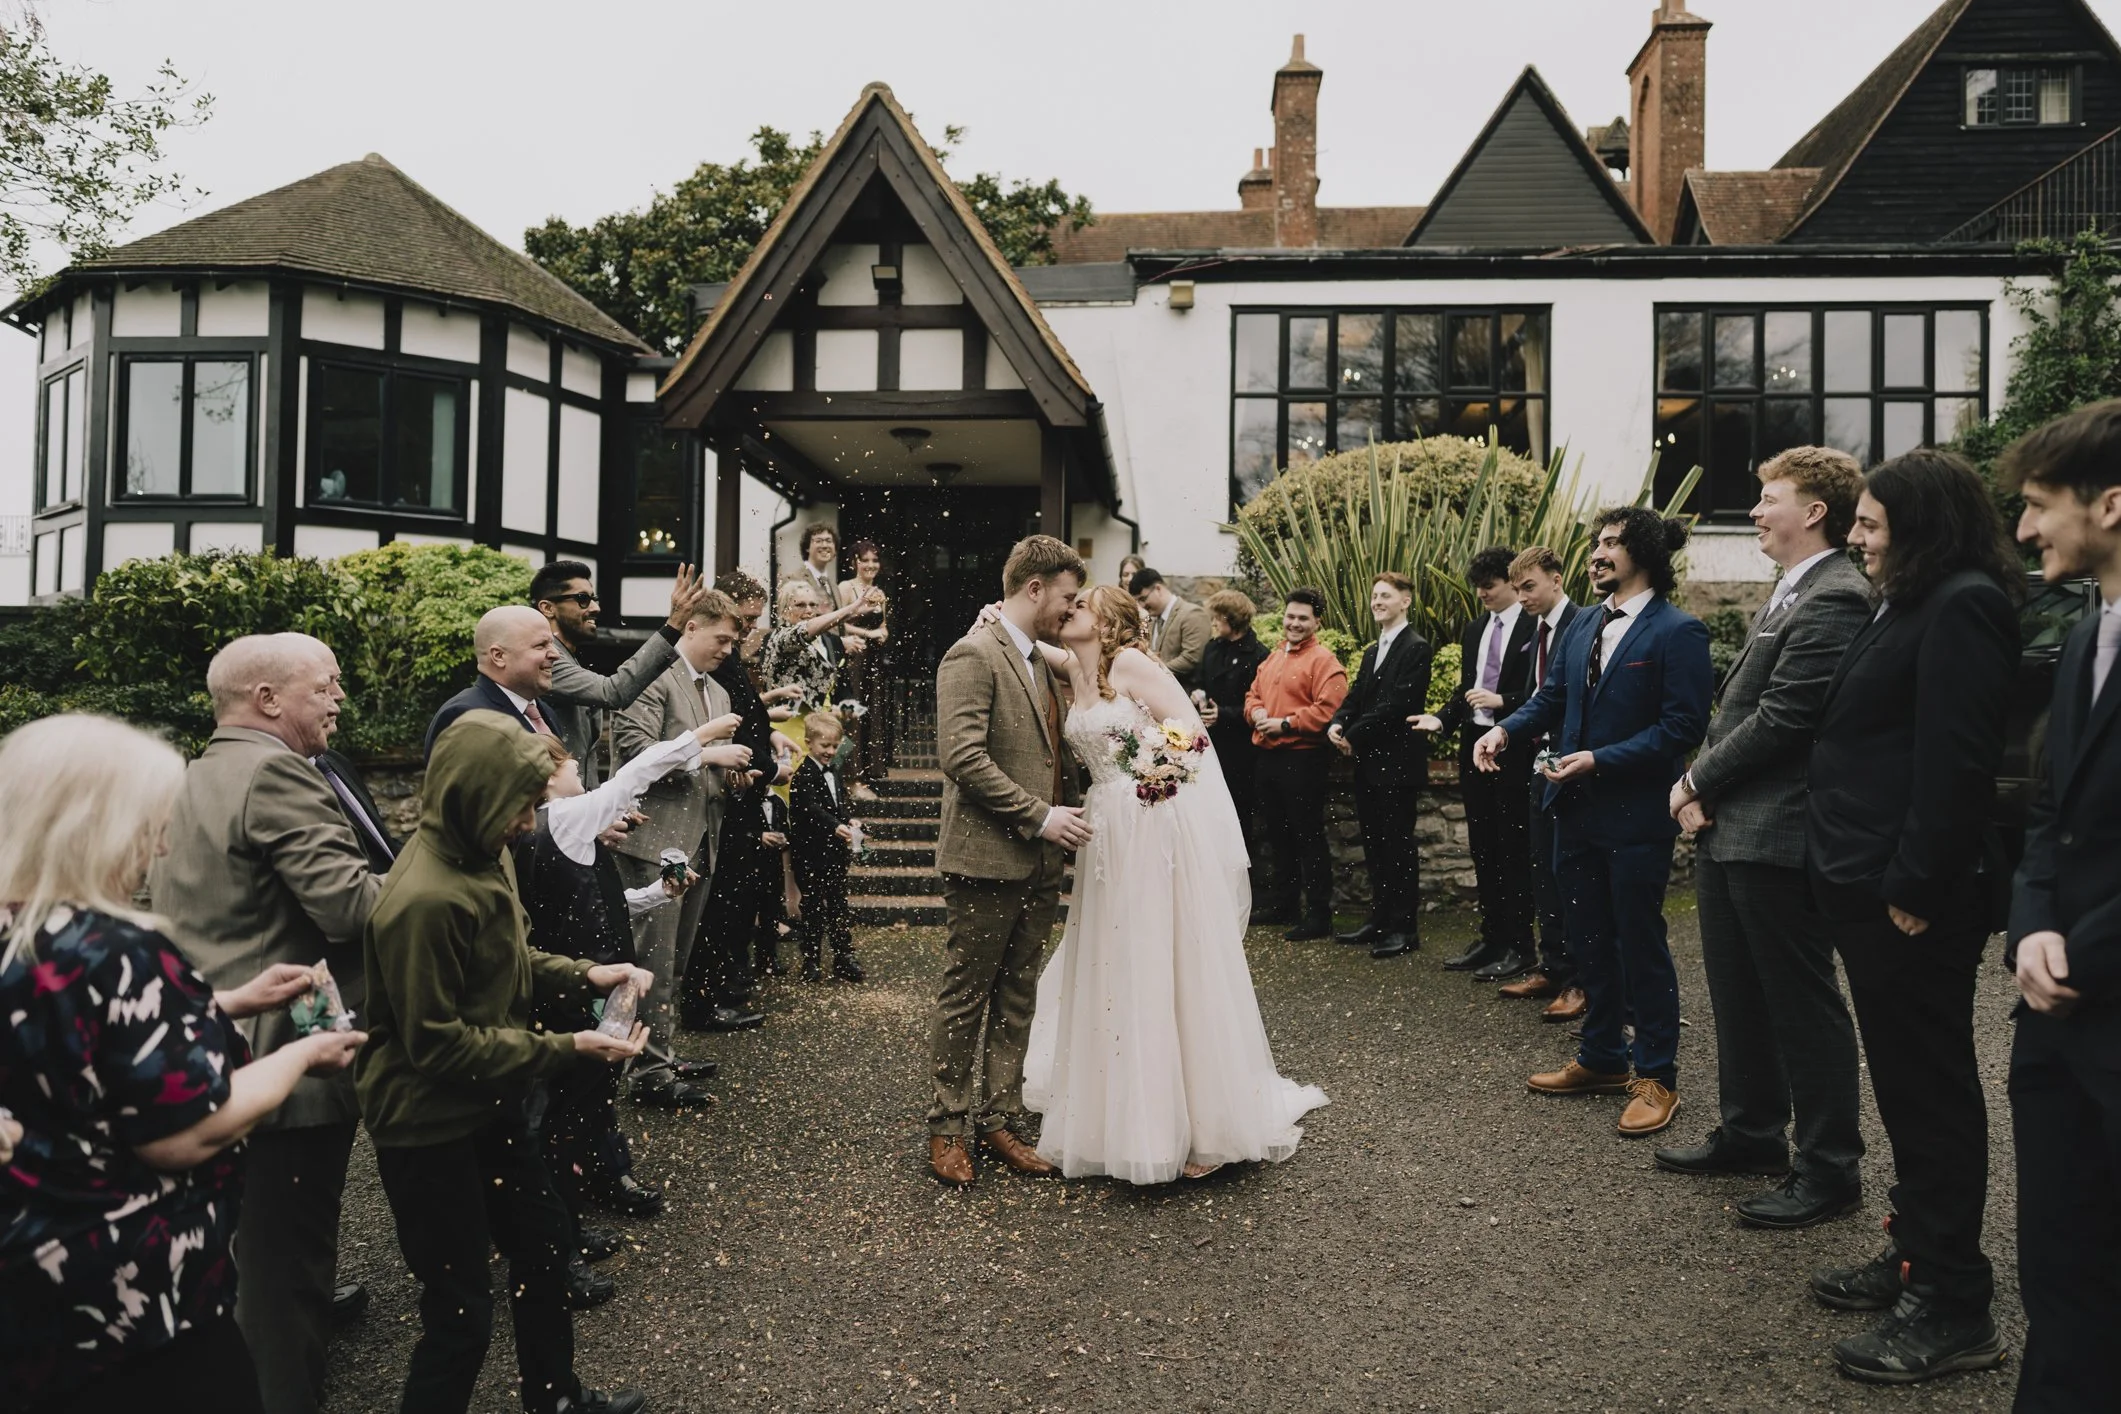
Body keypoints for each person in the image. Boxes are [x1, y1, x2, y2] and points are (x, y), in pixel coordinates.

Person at [0, 714, 365, 1413]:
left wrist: (227, 1002)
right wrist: (297, 1057)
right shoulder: (113, 947)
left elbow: (77, 1044)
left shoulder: (21, 933)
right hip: (132, 1303)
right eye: (149, 824)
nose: (162, 843)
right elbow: (182, 1132)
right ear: (95, 824)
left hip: (28, 1287)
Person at [356, 709, 652, 1414]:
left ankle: (554, 1398)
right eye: (521, 803)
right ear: (476, 795)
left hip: (491, 1099)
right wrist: (569, 1047)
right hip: (429, 1125)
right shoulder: (422, 899)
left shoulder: (482, 851)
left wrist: (588, 975)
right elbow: (436, 1044)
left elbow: (508, 957)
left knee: (544, 1254)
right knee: (459, 1316)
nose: (531, 820)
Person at [1801, 449, 2018, 1385]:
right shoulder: (1911, 597)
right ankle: (1911, 1252)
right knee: (1902, 1085)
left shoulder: (1964, 603)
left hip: (1909, 898)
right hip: (1865, 881)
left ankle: (1953, 1302)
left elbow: (1956, 765)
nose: (1855, 537)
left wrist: (1915, 890)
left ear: (1922, 526)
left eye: (1871, 525)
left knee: (1929, 1093)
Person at [148, 634, 383, 1414]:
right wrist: (445, 876)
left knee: (242, 1254)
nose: (339, 696)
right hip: (283, 1055)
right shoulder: (278, 771)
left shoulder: (193, 774)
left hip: (205, 1044)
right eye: (326, 685)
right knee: (288, 1273)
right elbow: (348, 909)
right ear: (267, 699)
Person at [1023, 584, 1327, 1183]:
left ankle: (1201, 1126)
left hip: (1147, 825)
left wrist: (1154, 779)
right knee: (1116, 962)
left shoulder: (1131, 663)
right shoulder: (1081, 672)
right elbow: (1047, 648)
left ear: (1106, 621)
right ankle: (1121, 1116)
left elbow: (1190, 733)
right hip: (1104, 834)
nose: (1069, 612)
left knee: (1162, 961)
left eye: (1079, 605)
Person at [1655, 448, 1872, 1231]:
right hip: (1728, 828)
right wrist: (1700, 794)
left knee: (1800, 1004)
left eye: (1767, 498)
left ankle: (1828, 1169)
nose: (1753, 511)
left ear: (1813, 511)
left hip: (1777, 830)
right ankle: (1750, 1133)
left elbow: (1785, 719)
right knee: (1738, 996)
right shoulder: (1791, 589)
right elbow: (1736, 714)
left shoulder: (1838, 595)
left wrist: (1690, 784)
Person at [1478, 509, 1712, 1138]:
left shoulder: (1678, 631)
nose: (1598, 555)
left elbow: (1682, 729)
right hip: (1572, 814)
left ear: (1645, 554)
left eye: (1612, 544)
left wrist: (1599, 760)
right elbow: (1553, 698)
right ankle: (1603, 1058)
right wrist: (1504, 728)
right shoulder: (1582, 625)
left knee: (1640, 945)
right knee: (1587, 943)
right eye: (1597, 544)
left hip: (1635, 817)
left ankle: (1655, 1078)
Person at [1998, 400, 2121, 1411]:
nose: (2027, 530)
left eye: (2039, 507)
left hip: (2108, 1001)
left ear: (2111, 504)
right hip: (2054, 1025)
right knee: (2060, 1274)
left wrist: (2080, 951)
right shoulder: (2087, 635)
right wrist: (2033, 921)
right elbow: (2052, 811)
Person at [515, 727, 717, 1258]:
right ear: (546, 775)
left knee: (587, 1104)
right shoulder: (560, 817)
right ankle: (563, 1238)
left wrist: (656, 893)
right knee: (570, 1113)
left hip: (588, 984)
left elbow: (601, 904)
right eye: (572, 767)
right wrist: (703, 736)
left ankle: (577, 1211)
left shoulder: (564, 831)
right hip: (579, 989)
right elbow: (638, 772)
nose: (580, 775)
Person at [926, 535, 1090, 1186]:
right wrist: (1040, 815)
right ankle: (945, 1129)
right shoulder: (971, 653)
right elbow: (962, 758)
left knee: (1018, 995)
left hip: (1042, 863)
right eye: (1066, 597)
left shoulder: (1036, 660)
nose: (1069, 609)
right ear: (1033, 589)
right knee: (966, 996)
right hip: (987, 857)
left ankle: (999, 1121)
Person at [612, 591, 754, 1104]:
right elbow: (635, 751)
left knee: (677, 961)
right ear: (690, 628)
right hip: (654, 843)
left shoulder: (718, 692)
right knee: (650, 961)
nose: (727, 650)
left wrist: (732, 776)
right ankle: (646, 1074)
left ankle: (662, 1054)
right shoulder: (652, 678)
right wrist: (709, 751)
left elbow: (709, 770)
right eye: (721, 639)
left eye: (734, 642)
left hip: (702, 843)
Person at [1411, 548, 1538, 979]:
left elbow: (1544, 692)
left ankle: (1521, 945)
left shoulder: (1536, 625)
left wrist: (1504, 702)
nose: (1482, 593)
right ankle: (1492, 938)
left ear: (1511, 583)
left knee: (1512, 846)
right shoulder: (1475, 629)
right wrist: (1442, 719)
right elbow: (1468, 691)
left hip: (1513, 747)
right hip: (1473, 745)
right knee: (1482, 845)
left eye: (1490, 585)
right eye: (1478, 586)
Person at [680, 571, 795, 1025]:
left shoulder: (722, 663)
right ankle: (706, 998)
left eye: (746, 627)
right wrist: (762, 767)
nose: (743, 636)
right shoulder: (708, 668)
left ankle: (721, 987)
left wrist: (768, 737)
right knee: (721, 904)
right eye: (738, 626)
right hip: (721, 800)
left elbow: (748, 712)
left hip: (743, 787)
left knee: (735, 900)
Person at [1493, 548, 1586, 1017]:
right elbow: (1539, 695)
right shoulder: (1533, 628)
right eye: (1518, 588)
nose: (1522, 596)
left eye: (1529, 586)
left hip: (1572, 762)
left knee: (1568, 872)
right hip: (1537, 761)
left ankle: (1578, 979)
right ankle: (1551, 965)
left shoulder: (1583, 623)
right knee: (1541, 869)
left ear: (1556, 577)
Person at [1327, 572, 1434, 960]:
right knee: (1375, 846)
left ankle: (1404, 929)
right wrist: (1338, 722)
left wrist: (1353, 734)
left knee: (1397, 847)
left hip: (1398, 766)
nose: (1377, 601)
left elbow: (1397, 706)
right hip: (1370, 765)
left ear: (1406, 601)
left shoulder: (1416, 648)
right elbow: (1358, 695)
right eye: (1374, 595)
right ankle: (1380, 919)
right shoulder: (1375, 649)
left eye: (1385, 595)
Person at [533, 559, 710, 788]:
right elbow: (613, 692)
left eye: (593, 598)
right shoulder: (548, 659)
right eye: (582, 599)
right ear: (547, 608)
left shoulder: (568, 656)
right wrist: (673, 626)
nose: (595, 608)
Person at [1245, 587, 1349, 941]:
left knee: (1307, 836)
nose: (1294, 623)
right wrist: (1256, 711)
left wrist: (1286, 723)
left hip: (1303, 758)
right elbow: (1253, 694)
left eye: (1303, 618)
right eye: (1291, 616)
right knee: (1278, 835)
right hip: (1268, 757)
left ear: (1317, 621)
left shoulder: (1324, 661)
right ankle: (1284, 905)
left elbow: (1329, 709)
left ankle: (1318, 916)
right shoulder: (1274, 657)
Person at [762, 575, 882, 768]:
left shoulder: (830, 641)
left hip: (823, 731)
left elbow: (841, 685)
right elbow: (803, 632)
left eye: (812, 605)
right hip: (788, 725)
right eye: (800, 605)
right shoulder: (778, 638)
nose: (808, 610)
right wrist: (850, 609)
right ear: (785, 610)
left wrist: (843, 709)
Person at [788, 710, 865, 984]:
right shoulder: (803, 774)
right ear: (809, 742)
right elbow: (810, 809)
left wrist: (847, 819)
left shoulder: (834, 772)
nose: (830, 751)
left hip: (834, 854)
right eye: (825, 746)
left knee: (838, 906)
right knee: (812, 908)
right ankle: (811, 960)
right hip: (809, 853)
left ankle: (843, 957)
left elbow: (837, 804)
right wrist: (834, 825)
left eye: (834, 746)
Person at [426, 604, 562, 757]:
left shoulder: (544, 712)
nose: (555, 654)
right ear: (498, 656)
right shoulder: (466, 717)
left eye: (552, 644)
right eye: (541, 645)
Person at [1197, 590, 1270, 865]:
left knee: (1239, 815)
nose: (1213, 623)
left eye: (1217, 618)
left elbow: (1260, 703)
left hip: (1241, 749)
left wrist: (1224, 715)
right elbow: (1200, 680)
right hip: (1210, 744)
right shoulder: (1212, 648)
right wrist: (1197, 693)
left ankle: (1240, 875)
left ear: (1231, 619)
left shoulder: (1260, 655)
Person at [836, 539, 892, 802]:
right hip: (854, 658)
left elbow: (883, 625)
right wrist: (869, 633)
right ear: (854, 562)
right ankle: (851, 778)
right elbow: (840, 625)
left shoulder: (879, 591)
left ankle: (869, 774)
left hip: (873, 661)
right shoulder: (847, 588)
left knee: (872, 715)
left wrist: (882, 634)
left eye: (874, 560)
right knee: (854, 717)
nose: (870, 565)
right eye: (865, 560)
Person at [1128, 567, 1214, 691]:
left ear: (1158, 589)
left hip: (1186, 695)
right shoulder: (1152, 619)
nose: (1142, 605)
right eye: (1138, 601)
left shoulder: (1193, 614)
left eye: (1143, 598)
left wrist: (1155, 670)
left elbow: (1191, 658)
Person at [794, 523, 839, 601]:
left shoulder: (834, 586)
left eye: (829, 541)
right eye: (818, 541)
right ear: (807, 547)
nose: (825, 545)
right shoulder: (794, 579)